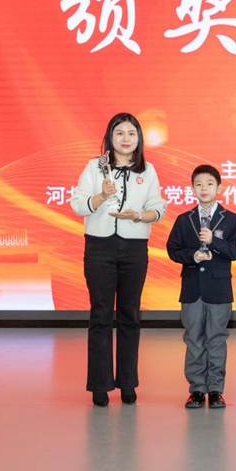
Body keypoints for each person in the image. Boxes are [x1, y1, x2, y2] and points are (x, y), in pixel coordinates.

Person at [71, 113, 167, 407]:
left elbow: (158, 207)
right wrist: (101, 196)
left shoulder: (147, 170)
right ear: (110, 137)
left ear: (139, 139)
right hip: (99, 247)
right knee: (100, 314)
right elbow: (78, 205)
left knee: (130, 314)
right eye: (120, 133)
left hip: (134, 247)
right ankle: (100, 385)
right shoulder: (94, 167)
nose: (126, 139)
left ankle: (127, 382)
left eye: (131, 133)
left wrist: (139, 215)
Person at [166, 165, 236, 409]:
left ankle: (216, 390)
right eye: (198, 184)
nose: (204, 188)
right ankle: (197, 389)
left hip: (219, 289)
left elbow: (235, 251)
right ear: (192, 189)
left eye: (209, 183)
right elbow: (172, 250)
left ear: (219, 187)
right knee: (194, 339)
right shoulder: (184, 219)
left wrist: (214, 241)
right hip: (192, 288)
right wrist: (193, 256)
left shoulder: (231, 219)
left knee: (216, 339)